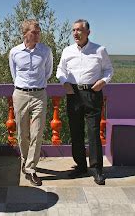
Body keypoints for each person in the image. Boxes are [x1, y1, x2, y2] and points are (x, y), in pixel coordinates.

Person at [56, 19, 113, 185]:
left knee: (94, 132)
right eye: (73, 30)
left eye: (79, 30)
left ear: (88, 32)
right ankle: (81, 166)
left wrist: (103, 81)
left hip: (92, 93)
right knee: (76, 131)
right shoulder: (67, 51)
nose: (75, 33)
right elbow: (61, 69)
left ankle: (96, 170)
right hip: (73, 93)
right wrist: (64, 82)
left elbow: (109, 69)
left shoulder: (99, 50)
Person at [9, 19, 53, 186]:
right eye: (34, 32)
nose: (37, 35)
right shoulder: (14, 52)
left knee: (37, 133)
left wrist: (36, 86)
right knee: (23, 133)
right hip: (20, 95)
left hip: (39, 95)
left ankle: (31, 168)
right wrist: (24, 88)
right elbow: (14, 75)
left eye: (38, 32)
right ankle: (25, 161)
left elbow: (48, 72)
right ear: (25, 33)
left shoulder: (46, 51)